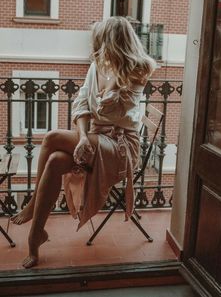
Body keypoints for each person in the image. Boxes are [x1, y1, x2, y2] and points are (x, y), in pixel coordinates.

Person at [11, 16, 156, 268]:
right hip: (95, 137)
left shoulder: (139, 69)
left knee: (52, 137)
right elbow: (81, 105)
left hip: (121, 146)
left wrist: (109, 75)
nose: (96, 46)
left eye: (100, 39)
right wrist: (83, 137)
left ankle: (34, 203)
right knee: (56, 160)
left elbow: (105, 106)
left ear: (112, 41)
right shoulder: (98, 65)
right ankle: (36, 236)